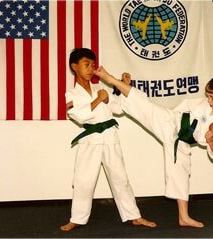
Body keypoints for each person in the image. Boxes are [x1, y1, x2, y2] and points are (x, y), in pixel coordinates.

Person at [94, 66, 213, 228]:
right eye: (208, 96)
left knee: (181, 173)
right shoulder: (205, 104)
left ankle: (184, 217)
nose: (208, 101)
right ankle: (111, 80)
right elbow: (184, 107)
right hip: (172, 123)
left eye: (212, 98)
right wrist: (171, 116)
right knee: (144, 105)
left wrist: (211, 141)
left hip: (182, 140)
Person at [60, 48, 156, 231]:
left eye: (93, 65)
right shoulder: (72, 94)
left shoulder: (100, 89)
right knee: (84, 180)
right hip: (91, 141)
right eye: (86, 64)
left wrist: (121, 86)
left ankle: (133, 216)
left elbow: (118, 108)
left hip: (110, 137)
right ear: (74, 67)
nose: (90, 68)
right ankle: (77, 219)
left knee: (120, 178)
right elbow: (77, 115)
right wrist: (98, 100)